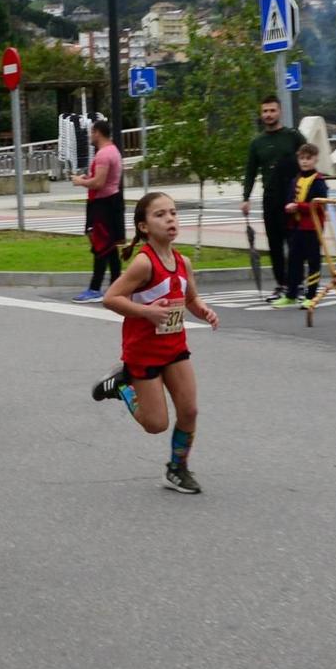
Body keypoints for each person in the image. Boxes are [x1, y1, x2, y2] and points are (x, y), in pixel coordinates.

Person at [90, 192, 219, 494]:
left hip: (174, 348)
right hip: (143, 353)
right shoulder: (143, 264)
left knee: (189, 412)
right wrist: (146, 312)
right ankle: (121, 385)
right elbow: (110, 298)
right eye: (160, 215)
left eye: (172, 212)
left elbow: (190, 298)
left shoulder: (182, 261)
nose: (170, 219)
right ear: (144, 226)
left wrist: (204, 311)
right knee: (156, 424)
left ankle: (176, 470)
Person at [241, 97, 307, 303]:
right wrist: (246, 198)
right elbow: (250, 171)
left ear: (279, 112)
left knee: (294, 243)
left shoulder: (293, 137)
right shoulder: (257, 143)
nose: (268, 114)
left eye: (272, 110)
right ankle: (282, 285)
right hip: (270, 200)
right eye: (265, 111)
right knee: (275, 245)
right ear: (261, 114)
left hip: (293, 200)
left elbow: (308, 162)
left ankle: (299, 284)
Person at [68, 118, 124, 303]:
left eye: (92, 132)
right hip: (112, 201)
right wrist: (89, 178)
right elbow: (103, 180)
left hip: (102, 205)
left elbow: (99, 183)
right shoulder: (114, 151)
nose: (90, 136)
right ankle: (117, 286)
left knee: (101, 246)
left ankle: (95, 288)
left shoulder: (103, 155)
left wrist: (80, 181)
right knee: (110, 247)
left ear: (98, 132)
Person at [282, 142, 331, 307]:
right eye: (302, 158)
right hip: (296, 227)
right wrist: (288, 206)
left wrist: (299, 207)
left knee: (313, 262)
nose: (304, 162)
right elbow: (290, 197)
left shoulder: (318, 180)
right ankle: (291, 294)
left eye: (308, 158)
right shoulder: (296, 179)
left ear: (315, 159)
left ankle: (311, 295)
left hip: (311, 227)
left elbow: (320, 203)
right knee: (294, 261)